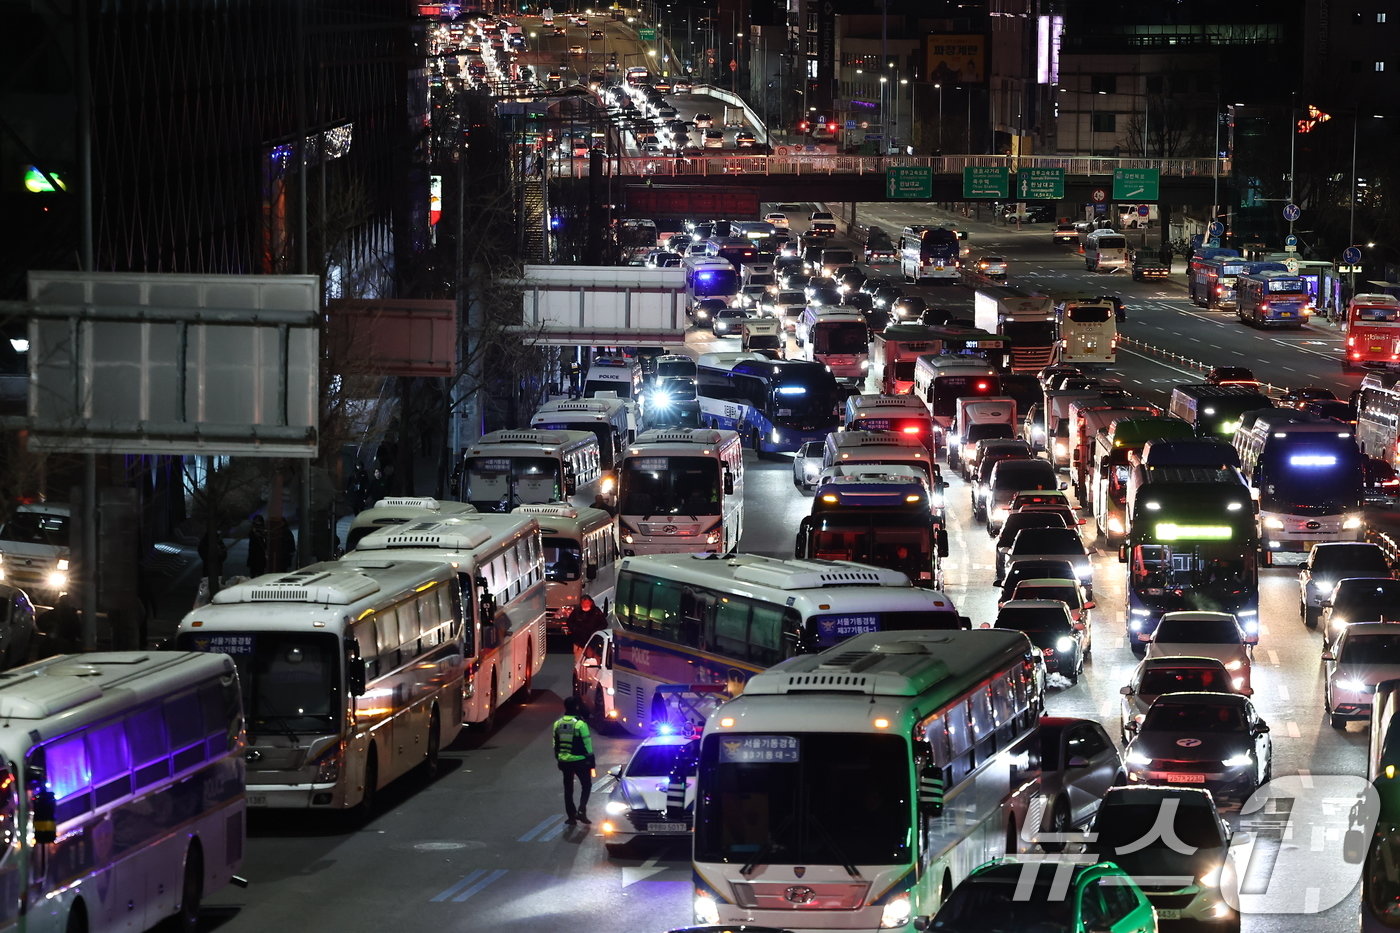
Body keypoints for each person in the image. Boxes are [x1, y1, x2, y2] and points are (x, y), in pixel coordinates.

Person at [552, 696, 595, 825]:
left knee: (568, 789)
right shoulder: (580, 724)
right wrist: (591, 761)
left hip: (564, 762)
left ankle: (571, 817)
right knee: (586, 785)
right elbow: (587, 744)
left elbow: (555, 744)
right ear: (577, 707)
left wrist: (559, 759)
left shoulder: (557, 724)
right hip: (580, 761)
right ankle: (582, 810)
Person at [567, 595, 607, 663]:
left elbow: (604, 624)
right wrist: (575, 629)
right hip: (578, 642)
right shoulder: (577, 611)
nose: (585, 605)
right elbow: (569, 622)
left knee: (591, 661)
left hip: (592, 642)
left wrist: (595, 631)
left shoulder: (596, 612)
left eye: (587, 603)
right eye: (583, 603)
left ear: (591, 603)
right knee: (578, 662)